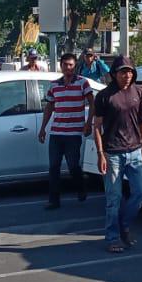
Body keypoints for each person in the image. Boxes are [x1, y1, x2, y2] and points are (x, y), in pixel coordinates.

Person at [92, 55, 142, 253]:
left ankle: (124, 224)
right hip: (113, 153)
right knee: (113, 198)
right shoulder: (104, 96)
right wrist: (100, 154)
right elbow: (96, 127)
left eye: (130, 71)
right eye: (123, 72)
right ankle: (112, 238)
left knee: (141, 192)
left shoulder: (139, 93)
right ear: (114, 74)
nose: (127, 75)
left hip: (135, 151)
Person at [40, 51, 94, 210]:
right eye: (65, 65)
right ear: (61, 66)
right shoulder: (54, 85)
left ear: (75, 65)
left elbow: (92, 103)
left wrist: (88, 123)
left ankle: (81, 186)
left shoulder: (82, 83)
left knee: (72, 166)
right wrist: (43, 128)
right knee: (54, 167)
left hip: (74, 133)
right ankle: (53, 200)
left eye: (71, 65)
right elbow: (49, 107)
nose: (68, 68)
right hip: (56, 132)